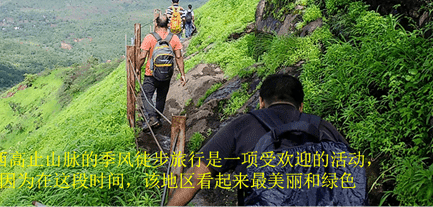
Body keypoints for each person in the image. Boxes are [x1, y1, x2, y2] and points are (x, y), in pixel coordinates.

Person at [167, 74, 349, 206]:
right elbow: (351, 177)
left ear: (261, 101)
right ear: (301, 106)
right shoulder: (323, 128)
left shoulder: (243, 125)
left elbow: (197, 176)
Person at [136, 14, 187, 130]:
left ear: (156, 24)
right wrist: (182, 74)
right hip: (167, 74)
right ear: (168, 24)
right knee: (161, 97)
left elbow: (142, 56)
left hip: (151, 73)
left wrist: (138, 68)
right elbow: (178, 57)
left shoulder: (149, 38)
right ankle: (157, 120)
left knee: (146, 95)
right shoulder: (174, 38)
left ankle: (153, 118)